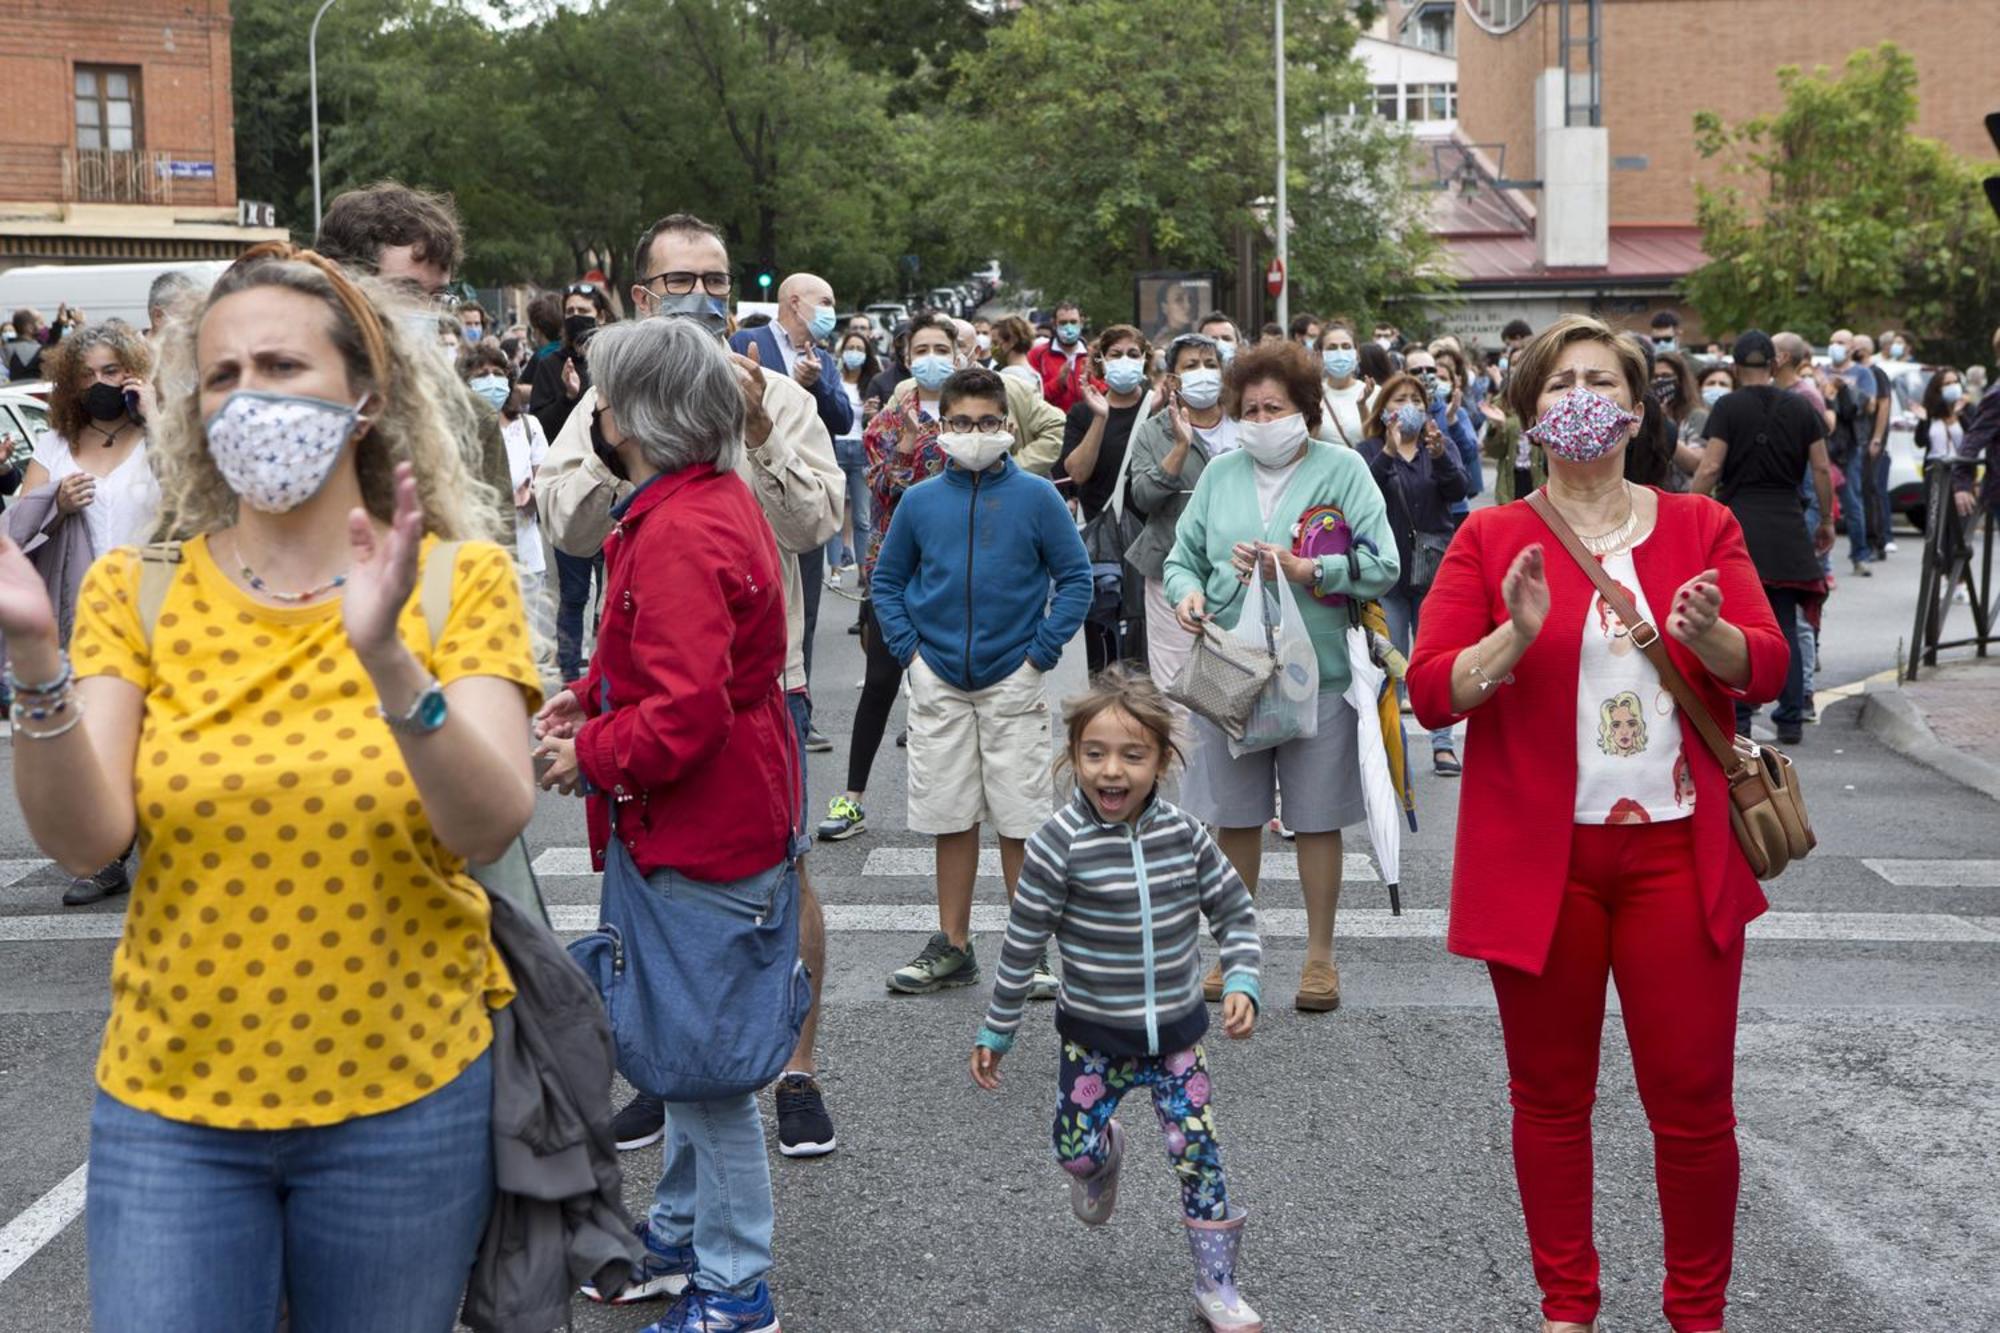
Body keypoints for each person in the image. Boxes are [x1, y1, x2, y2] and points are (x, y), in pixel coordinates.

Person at [2, 241, 539, 1331]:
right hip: (172, 1106)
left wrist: (391, 661)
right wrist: (33, 661)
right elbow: (86, 841)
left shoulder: (453, 580)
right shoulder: (136, 590)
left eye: (283, 368)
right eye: (222, 375)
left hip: (405, 1098)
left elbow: (487, 826)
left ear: (366, 392)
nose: (250, 397)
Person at [1407, 311, 1788, 1333]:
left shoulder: (1699, 526)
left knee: (1693, 1103)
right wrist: (1511, 636)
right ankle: (1565, 1308)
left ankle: (1693, 1313)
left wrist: (1710, 641)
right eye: (1559, 381)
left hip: (1676, 851)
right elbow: (1432, 690)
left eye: (1601, 381)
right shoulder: (1489, 538)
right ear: (1529, 411)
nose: (1581, 396)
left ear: (1635, 407)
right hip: (1543, 861)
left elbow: (1767, 660)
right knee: (1547, 1098)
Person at [535, 210, 843, 1164]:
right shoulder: (604, 404)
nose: (705, 297)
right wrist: (618, 432)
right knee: (651, 884)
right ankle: (672, 1070)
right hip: (641, 677)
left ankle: (790, 1064)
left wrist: (752, 426)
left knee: (776, 877)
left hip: (760, 683)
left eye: (717, 279)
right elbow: (571, 527)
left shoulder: (779, 395)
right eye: (682, 283)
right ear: (642, 296)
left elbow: (815, 521)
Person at [531, 318, 792, 1332]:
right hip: (713, 817)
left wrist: (585, 750)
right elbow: (666, 660)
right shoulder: (694, 503)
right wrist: (588, 693)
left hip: (698, 827)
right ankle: (683, 1240)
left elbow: (681, 713)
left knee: (706, 1070)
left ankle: (737, 1285)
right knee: (688, 1050)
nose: (591, 414)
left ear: (635, 417)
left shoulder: (678, 523)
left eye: (600, 398)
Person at [969, 668, 1264, 1333]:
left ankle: (1216, 1283)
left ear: (1162, 760)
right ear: (1073, 757)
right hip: (1092, 1041)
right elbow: (1023, 942)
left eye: (1133, 754)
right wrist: (998, 1029)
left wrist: (1241, 977)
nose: (1112, 770)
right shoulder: (1056, 845)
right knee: (1074, 1150)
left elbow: (1235, 911)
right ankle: (1102, 1159)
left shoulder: (1186, 836)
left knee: (1198, 1152)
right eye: (1095, 752)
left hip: (1177, 1041)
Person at [1162, 341, 1398, 1013]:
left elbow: (1382, 562)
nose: (1264, 419)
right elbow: (1181, 560)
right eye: (1253, 408)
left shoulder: (1344, 469)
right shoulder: (1220, 473)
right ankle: (1236, 950)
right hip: (1230, 671)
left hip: (1316, 672)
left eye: (1277, 406)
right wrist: (1188, 596)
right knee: (1233, 819)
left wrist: (1310, 570)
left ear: (1305, 409)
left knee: (1317, 820)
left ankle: (1320, 956)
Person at [869, 366, 1091, 999]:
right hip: (936, 675)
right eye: (961, 423)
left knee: (1021, 818)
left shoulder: (1038, 497)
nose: (973, 433)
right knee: (950, 812)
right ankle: (954, 944)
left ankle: (1030, 949)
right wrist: (911, 653)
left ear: (1009, 428)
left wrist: (1040, 653)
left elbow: (1074, 578)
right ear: (942, 428)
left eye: (987, 423)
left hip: (1013, 677)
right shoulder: (919, 501)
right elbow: (887, 581)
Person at [16, 319, 162, 906]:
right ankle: (104, 857)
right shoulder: (55, 446)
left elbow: (201, 497)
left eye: (111, 371)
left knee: (159, 731)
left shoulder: (160, 437)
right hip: (86, 615)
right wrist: (55, 501)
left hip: (160, 606)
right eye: (87, 375)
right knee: (99, 737)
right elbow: (20, 523)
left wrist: (157, 416)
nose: (99, 383)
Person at [315, 180, 515, 546]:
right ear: (336, 285)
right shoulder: (279, 410)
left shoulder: (468, 420)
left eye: (437, 296)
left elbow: (499, 566)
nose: (425, 313)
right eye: (406, 292)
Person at [1691, 330, 1833, 746]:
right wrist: (1825, 519)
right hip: (1788, 524)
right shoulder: (1802, 407)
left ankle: (1741, 718)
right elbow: (1821, 470)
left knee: (1736, 622)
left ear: (1735, 368)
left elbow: (1711, 467)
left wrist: (1684, 510)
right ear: (1773, 365)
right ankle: (1790, 718)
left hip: (1739, 523)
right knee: (1785, 623)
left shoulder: (1729, 408)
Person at [733, 273, 854, 743]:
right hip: (755, 496)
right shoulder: (748, 340)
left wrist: (818, 386)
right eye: (825, 301)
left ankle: (799, 702)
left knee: (802, 604)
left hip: (803, 494)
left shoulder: (822, 357)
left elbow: (842, 418)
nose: (831, 310)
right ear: (794, 301)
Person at [1358, 372, 1468, 776]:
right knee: (1390, 661)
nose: (1408, 406)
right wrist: (1387, 452)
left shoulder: (1437, 446)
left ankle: (1442, 744)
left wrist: (1440, 457)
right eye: (1399, 398)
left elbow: (1460, 491)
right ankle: (1392, 747)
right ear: (1383, 407)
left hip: (1434, 570)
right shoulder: (1370, 448)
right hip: (1387, 572)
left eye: (1415, 399)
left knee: (1434, 658)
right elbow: (1364, 492)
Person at [1126, 333, 1234, 693]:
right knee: (1177, 681)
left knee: (1234, 672)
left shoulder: (1247, 424)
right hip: (1171, 566)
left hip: (1238, 569)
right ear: (1173, 379)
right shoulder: (1153, 431)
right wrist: (1180, 446)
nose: (1202, 373)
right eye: (1191, 366)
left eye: (1210, 365)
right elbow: (1142, 497)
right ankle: (1183, 752)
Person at [530, 282, 614, 682]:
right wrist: (568, 398)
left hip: (616, 491)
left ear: (602, 315)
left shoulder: (615, 361)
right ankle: (570, 673)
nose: (578, 316)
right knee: (574, 592)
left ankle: (607, 665)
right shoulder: (549, 363)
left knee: (614, 592)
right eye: (571, 310)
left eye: (586, 310)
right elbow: (539, 423)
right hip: (573, 488)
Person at [1061, 325, 1150, 670]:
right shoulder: (1083, 413)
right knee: (1103, 645)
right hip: (1101, 548)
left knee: (1142, 648)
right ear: (1101, 361)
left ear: (1144, 360)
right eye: (1116, 355)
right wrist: (1101, 418)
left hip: (1148, 542)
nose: (1125, 361)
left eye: (1133, 354)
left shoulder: (1158, 409)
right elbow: (1077, 472)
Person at [463, 343, 552, 672]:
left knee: (525, 647)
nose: (491, 381)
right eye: (481, 375)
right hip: (478, 555)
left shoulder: (528, 427)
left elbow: (545, 478)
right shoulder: (459, 431)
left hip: (527, 554)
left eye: (498, 374)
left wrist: (531, 496)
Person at [1403, 345, 1483, 523]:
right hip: (1414, 507)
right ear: (1404, 374)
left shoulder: (1455, 412)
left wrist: (1452, 421)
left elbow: (1470, 454)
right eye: (1417, 370)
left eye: (1430, 370)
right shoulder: (1399, 413)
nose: (1425, 375)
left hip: (1454, 508)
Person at [825, 328, 880, 585]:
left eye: (860, 349)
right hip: (836, 448)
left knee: (861, 517)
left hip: (861, 450)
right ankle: (835, 569)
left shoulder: (872, 383)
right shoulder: (833, 378)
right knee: (835, 513)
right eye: (850, 348)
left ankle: (863, 570)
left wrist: (873, 413)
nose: (854, 353)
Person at [1849, 333, 1895, 561]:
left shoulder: (1876, 373)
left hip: (1871, 440)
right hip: (1857, 438)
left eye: (1853, 346)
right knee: (1860, 488)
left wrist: (1877, 438)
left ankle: (1877, 541)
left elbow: (1884, 406)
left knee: (1870, 488)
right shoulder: (1855, 373)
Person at [1027, 299, 1092, 413]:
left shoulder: (1092, 355)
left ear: (1081, 323)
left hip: (1087, 424)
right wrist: (1058, 383)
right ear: (1054, 324)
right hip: (1053, 424)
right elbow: (1031, 398)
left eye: (1073, 322)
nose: (1069, 327)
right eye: (1063, 323)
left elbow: (1105, 391)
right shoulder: (1037, 355)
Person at [1315, 320, 1371, 447]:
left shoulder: (1374, 393)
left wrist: (1362, 406)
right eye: (1332, 348)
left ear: (1357, 354)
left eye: (1346, 347)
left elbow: (1377, 441)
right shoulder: (1313, 394)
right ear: (1320, 355)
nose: (1340, 353)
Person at [144, 270, 203, 343]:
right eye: (187, 320)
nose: (195, 328)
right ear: (158, 316)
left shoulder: (195, 350)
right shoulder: (128, 352)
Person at [991, 314, 1041, 394]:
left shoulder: (1009, 374)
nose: (993, 347)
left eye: (996, 342)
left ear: (1012, 341)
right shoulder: (1034, 374)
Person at [5, 308, 46, 381]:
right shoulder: (40, 350)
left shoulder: (5, 349)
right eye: (39, 323)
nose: (43, 327)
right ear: (29, 327)